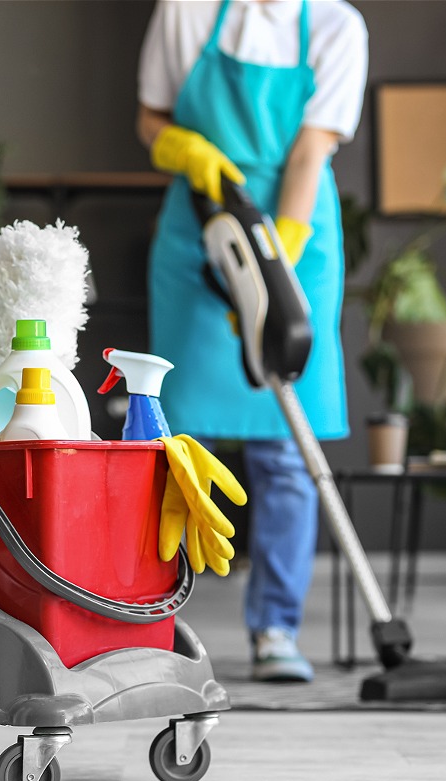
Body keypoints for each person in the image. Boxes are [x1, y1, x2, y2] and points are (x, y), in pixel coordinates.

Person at [138, 0, 368, 682]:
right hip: (200, 226)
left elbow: (309, 150)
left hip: (292, 228)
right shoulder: (185, 10)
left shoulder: (337, 26)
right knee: (169, 443)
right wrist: (179, 144)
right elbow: (151, 118)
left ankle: (276, 628)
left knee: (285, 447)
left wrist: (275, 270)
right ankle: (143, 617)